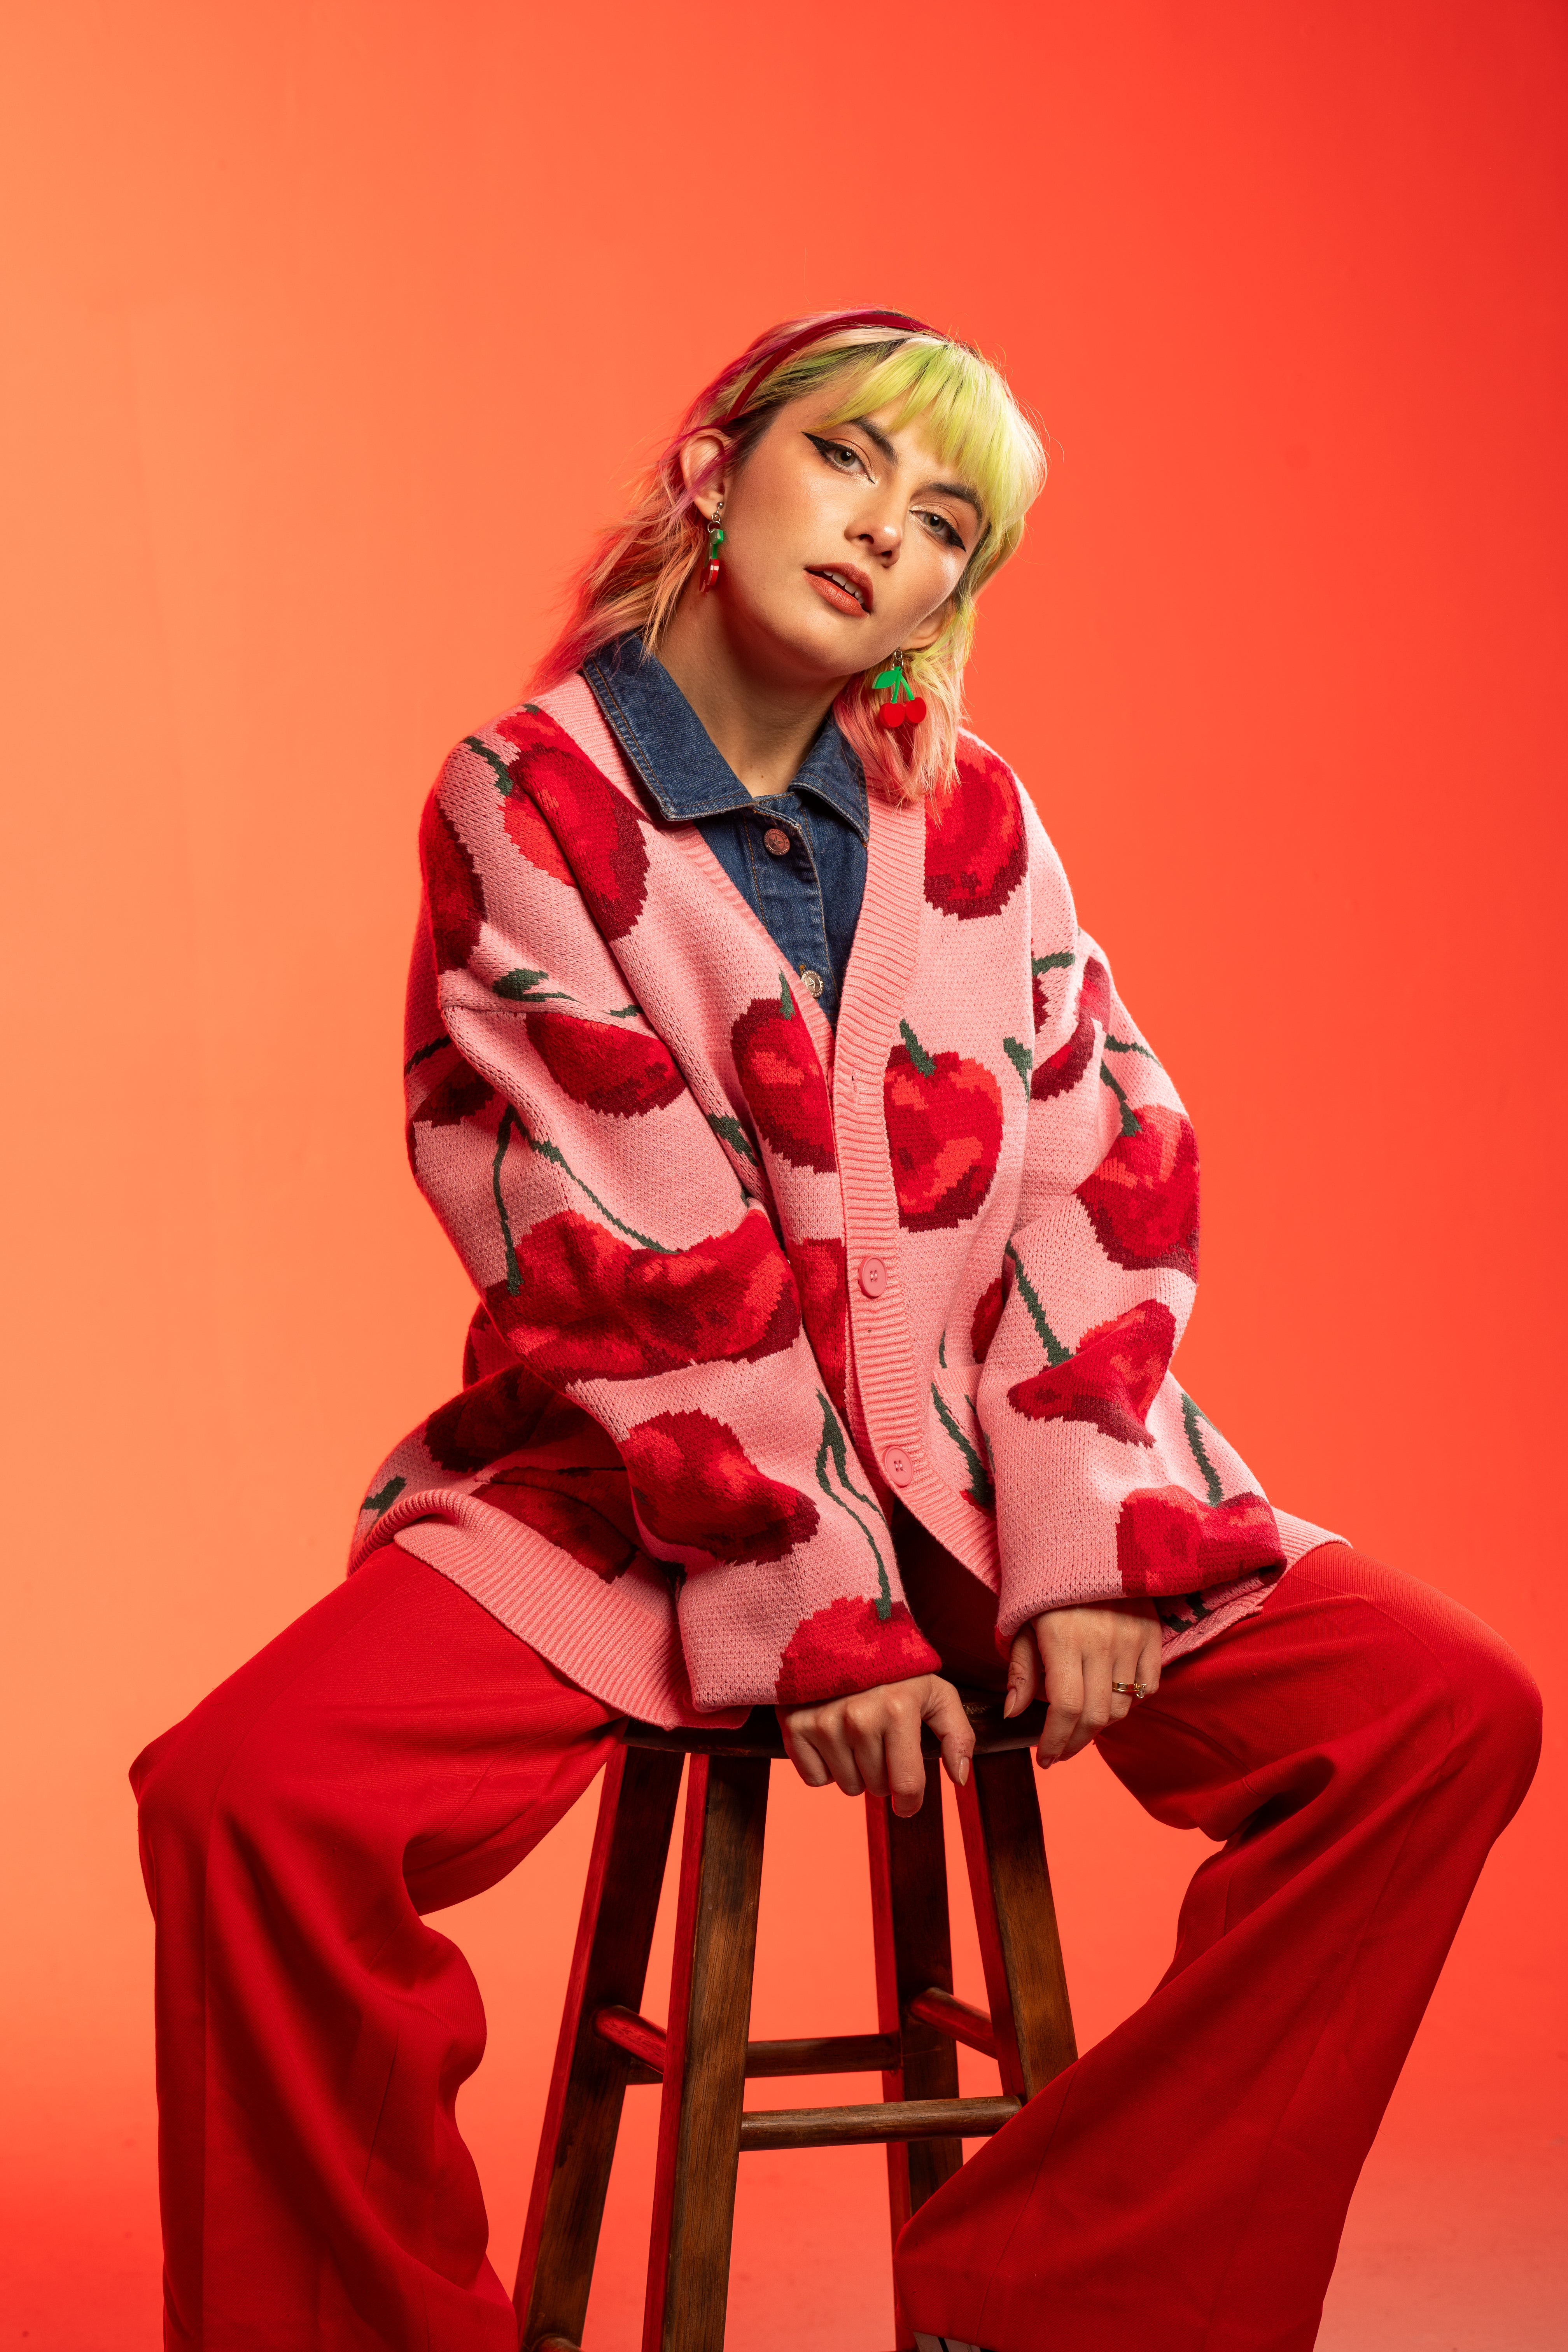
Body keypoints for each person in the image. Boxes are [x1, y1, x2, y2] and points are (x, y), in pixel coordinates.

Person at [131, 310, 1540, 2352]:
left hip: (993, 1480)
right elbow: (609, 1230)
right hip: (647, 1497)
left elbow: (1103, 1159)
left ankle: (1062, 2305)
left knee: (1445, 1713)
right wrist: (816, 1608)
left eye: (948, 521)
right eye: (851, 461)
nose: (889, 533)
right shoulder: (531, 799)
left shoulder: (978, 821)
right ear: (717, 473)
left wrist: (1081, 1535)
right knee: (243, 1799)